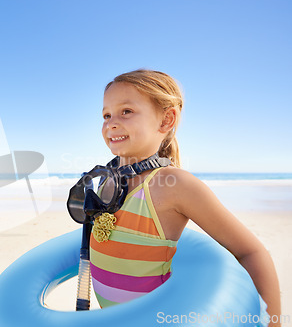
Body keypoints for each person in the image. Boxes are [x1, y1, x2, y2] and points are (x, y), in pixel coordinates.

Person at [90, 69, 281, 325]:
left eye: (126, 111)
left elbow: (251, 251)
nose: (111, 123)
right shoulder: (107, 182)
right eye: (106, 114)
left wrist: (272, 321)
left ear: (166, 120)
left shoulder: (173, 185)